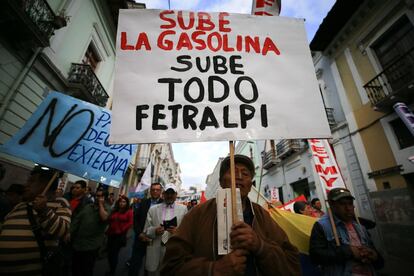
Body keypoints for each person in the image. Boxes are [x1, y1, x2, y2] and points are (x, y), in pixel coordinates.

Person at [161, 154, 301, 275]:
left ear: (250, 184)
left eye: (245, 174)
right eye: (233, 172)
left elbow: (292, 264)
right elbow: (170, 267)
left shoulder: (262, 216)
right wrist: (212, 270)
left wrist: (260, 246)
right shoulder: (197, 214)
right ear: (221, 182)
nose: (239, 177)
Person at [0, 166, 71, 276]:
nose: (26, 185)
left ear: (45, 184)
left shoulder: (60, 203)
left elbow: (63, 231)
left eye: (32, 181)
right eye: (28, 180)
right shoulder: (21, 205)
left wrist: (44, 211)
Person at [309, 188, 384, 275]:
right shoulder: (321, 226)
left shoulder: (360, 226)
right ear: (332, 205)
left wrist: (375, 256)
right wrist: (348, 251)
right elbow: (315, 257)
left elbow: (379, 262)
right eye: (342, 204)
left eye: (350, 203)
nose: (348, 208)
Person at [144, 183, 187, 275]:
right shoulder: (153, 209)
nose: (169, 196)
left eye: (172, 193)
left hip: (173, 251)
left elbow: (187, 231)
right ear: (163, 194)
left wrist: (178, 232)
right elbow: (146, 230)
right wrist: (154, 231)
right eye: (167, 193)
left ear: (176, 195)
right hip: (155, 248)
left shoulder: (183, 209)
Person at [70, 189, 110, 276]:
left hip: (91, 246)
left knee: (86, 270)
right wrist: (69, 233)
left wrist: (100, 204)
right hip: (78, 244)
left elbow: (104, 218)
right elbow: (77, 220)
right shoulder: (88, 207)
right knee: (75, 268)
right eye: (97, 196)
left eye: (101, 196)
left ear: (105, 198)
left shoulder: (107, 208)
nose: (98, 198)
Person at [128, 183, 163, 276]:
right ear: (150, 191)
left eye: (157, 190)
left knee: (150, 266)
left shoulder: (164, 205)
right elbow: (136, 219)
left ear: (161, 191)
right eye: (153, 189)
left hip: (154, 240)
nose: (155, 191)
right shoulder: (143, 202)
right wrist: (139, 233)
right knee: (135, 265)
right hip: (140, 238)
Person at [106, 195, 133, 275]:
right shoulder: (115, 210)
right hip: (111, 234)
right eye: (121, 202)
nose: (122, 203)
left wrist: (122, 230)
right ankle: (111, 268)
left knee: (114, 253)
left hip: (119, 236)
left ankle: (112, 271)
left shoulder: (129, 212)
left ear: (126, 203)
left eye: (124, 202)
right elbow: (109, 219)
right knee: (109, 253)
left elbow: (130, 222)